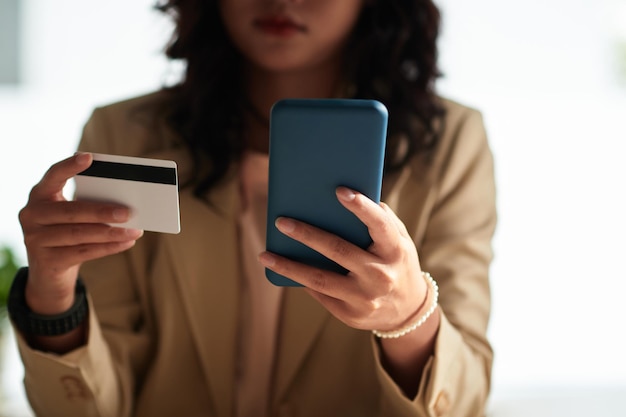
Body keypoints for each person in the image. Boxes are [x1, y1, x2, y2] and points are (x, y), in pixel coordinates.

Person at [9, 0, 496, 416]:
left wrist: (407, 317)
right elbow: (88, 407)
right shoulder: (125, 136)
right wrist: (51, 295)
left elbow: (465, 399)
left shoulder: (450, 145)